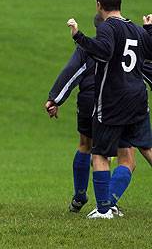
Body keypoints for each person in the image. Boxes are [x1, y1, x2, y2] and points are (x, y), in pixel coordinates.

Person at [46, 15, 152, 216]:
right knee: (127, 157)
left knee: (86, 146)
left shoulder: (90, 46)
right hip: (118, 103)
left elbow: (71, 71)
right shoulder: (127, 44)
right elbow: (144, 70)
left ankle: (80, 197)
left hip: (89, 101)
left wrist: (55, 98)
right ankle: (107, 204)